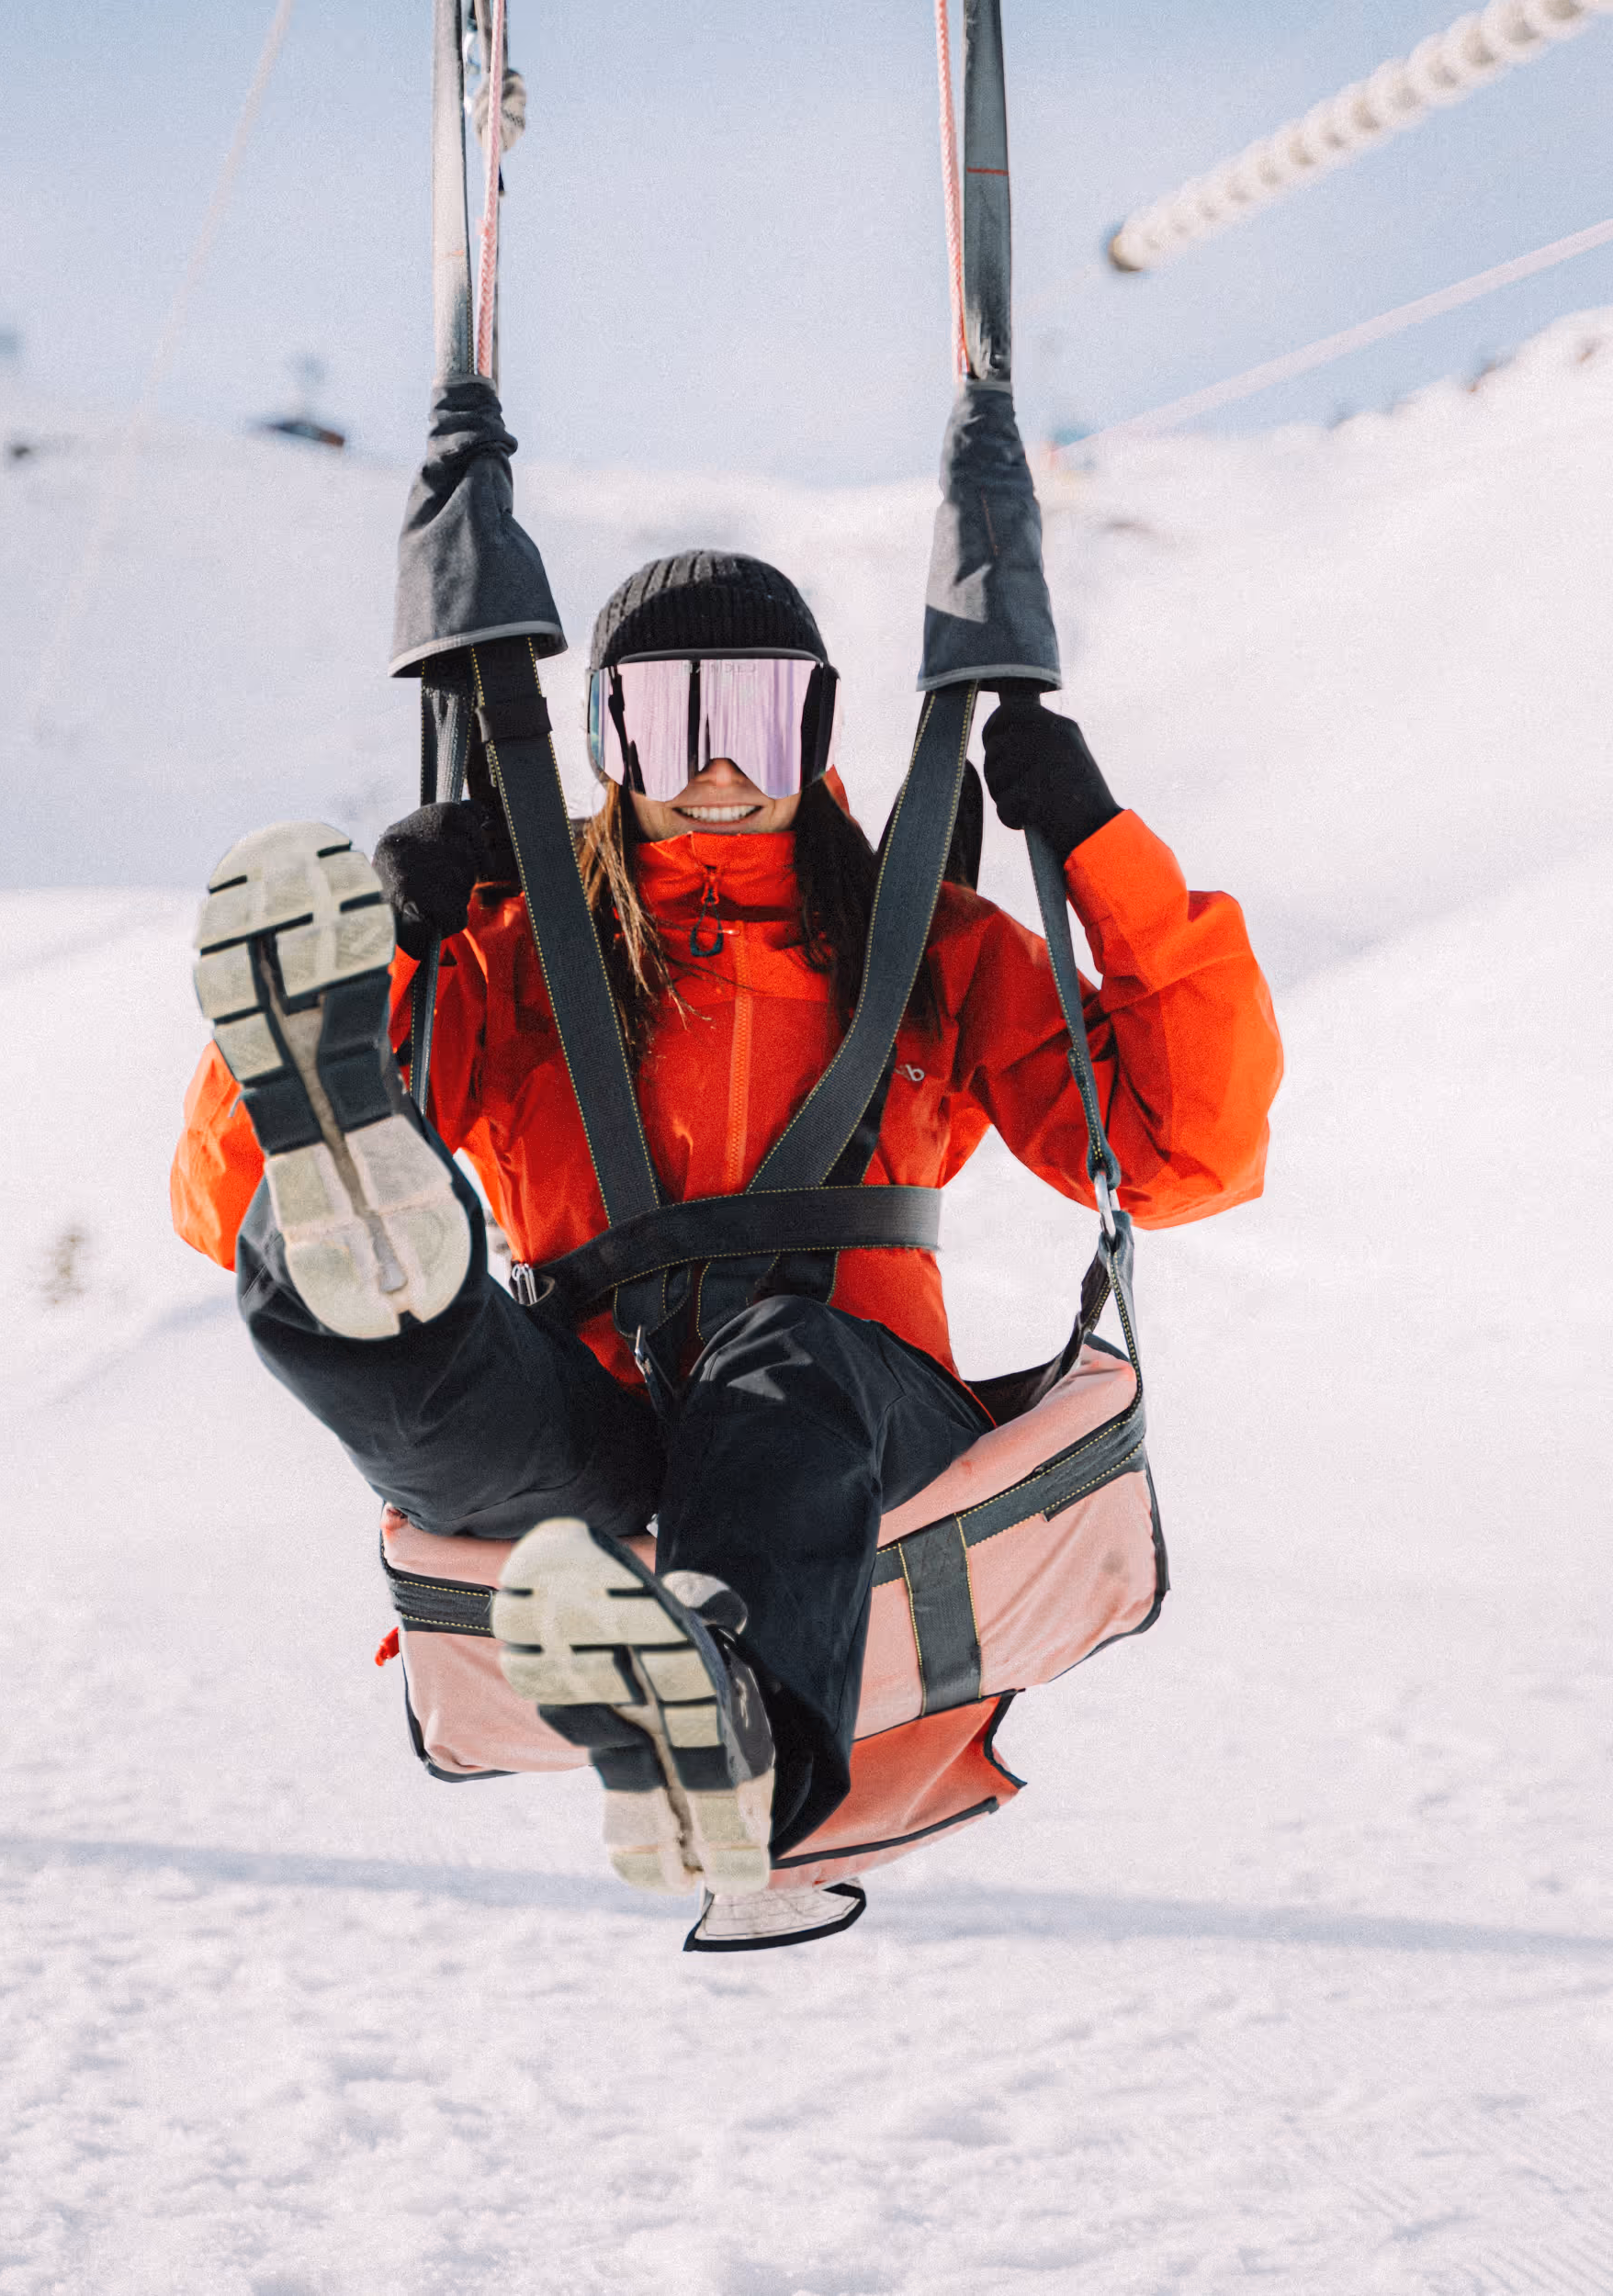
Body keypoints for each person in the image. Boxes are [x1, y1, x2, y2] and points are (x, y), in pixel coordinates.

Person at [171, 550, 1282, 1911]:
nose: (712, 765)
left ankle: (741, 1748)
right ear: (603, 743)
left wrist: (1103, 852)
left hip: (860, 1436)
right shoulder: (518, 958)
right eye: (666, 719)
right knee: (428, 1355)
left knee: (783, 1354)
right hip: (606, 1447)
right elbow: (219, 1207)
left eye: (752, 716)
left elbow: (1188, 1154)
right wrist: (403, 956)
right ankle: (347, 1214)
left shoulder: (922, 947)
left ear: (813, 731)